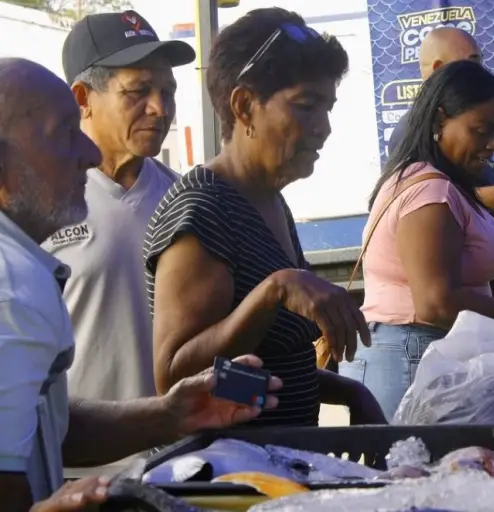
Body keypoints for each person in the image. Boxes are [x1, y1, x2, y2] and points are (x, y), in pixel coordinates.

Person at [0, 57, 283, 511]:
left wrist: (169, 415)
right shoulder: (13, 283)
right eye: (62, 134)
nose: (87, 155)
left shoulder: (177, 192)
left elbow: (45, 425)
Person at [143, 8, 385, 427]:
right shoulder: (203, 208)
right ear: (244, 105)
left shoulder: (269, 199)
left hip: (278, 469)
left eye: (327, 108)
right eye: (307, 106)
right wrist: (274, 291)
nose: (324, 127)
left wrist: (349, 391)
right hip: (227, 480)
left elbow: (260, 367)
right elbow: (175, 378)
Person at [339, 60, 494, 420]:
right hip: (408, 358)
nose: (492, 145)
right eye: (480, 131)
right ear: (441, 120)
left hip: (418, 353)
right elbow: (436, 304)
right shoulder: (431, 191)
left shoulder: (438, 181)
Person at [39, 11, 194, 403]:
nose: (159, 107)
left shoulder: (184, 200)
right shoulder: (34, 207)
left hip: (173, 454)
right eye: (137, 91)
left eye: (168, 91)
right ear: (82, 99)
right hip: (74, 457)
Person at [386, 26, 494, 298]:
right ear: (439, 69)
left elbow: (473, 196)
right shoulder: (414, 132)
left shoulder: (461, 136)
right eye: (473, 64)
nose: (482, 74)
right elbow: (443, 203)